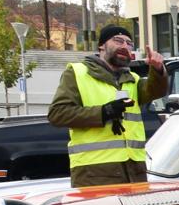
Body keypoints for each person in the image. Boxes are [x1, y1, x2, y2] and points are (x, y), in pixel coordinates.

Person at [47, 25, 167, 187]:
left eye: (129, 43)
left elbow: (156, 90)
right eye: (118, 41)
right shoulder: (78, 73)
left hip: (134, 170)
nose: (124, 46)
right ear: (101, 46)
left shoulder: (132, 79)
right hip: (94, 172)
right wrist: (104, 112)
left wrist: (158, 69)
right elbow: (57, 114)